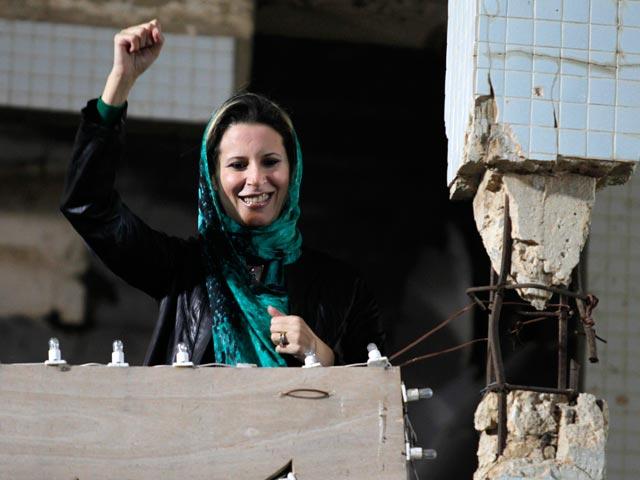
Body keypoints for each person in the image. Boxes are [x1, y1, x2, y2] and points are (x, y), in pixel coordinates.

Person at [60, 19, 385, 367]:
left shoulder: (342, 287)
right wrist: (119, 84)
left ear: (293, 171)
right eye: (238, 165)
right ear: (213, 180)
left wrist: (319, 353)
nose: (255, 178)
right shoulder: (183, 272)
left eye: (270, 161)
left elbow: (378, 385)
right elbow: (89, 207)